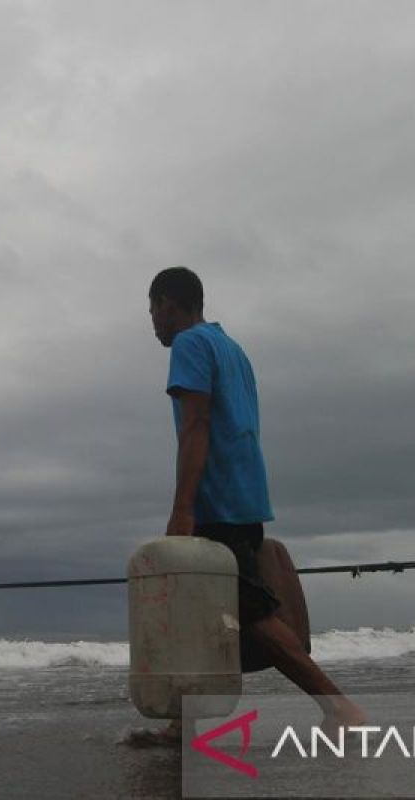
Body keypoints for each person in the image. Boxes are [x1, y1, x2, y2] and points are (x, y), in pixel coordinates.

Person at [148, 266, 365, 736]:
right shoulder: (233, 348)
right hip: (246, 492)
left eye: (153, 310)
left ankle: (338, 707)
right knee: (206, 611)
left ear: (169, 303)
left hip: (217, 499)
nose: (153, 322)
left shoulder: (189, 344)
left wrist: (183, 508)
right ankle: (179, 727)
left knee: (245, 612)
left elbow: (197, 425)